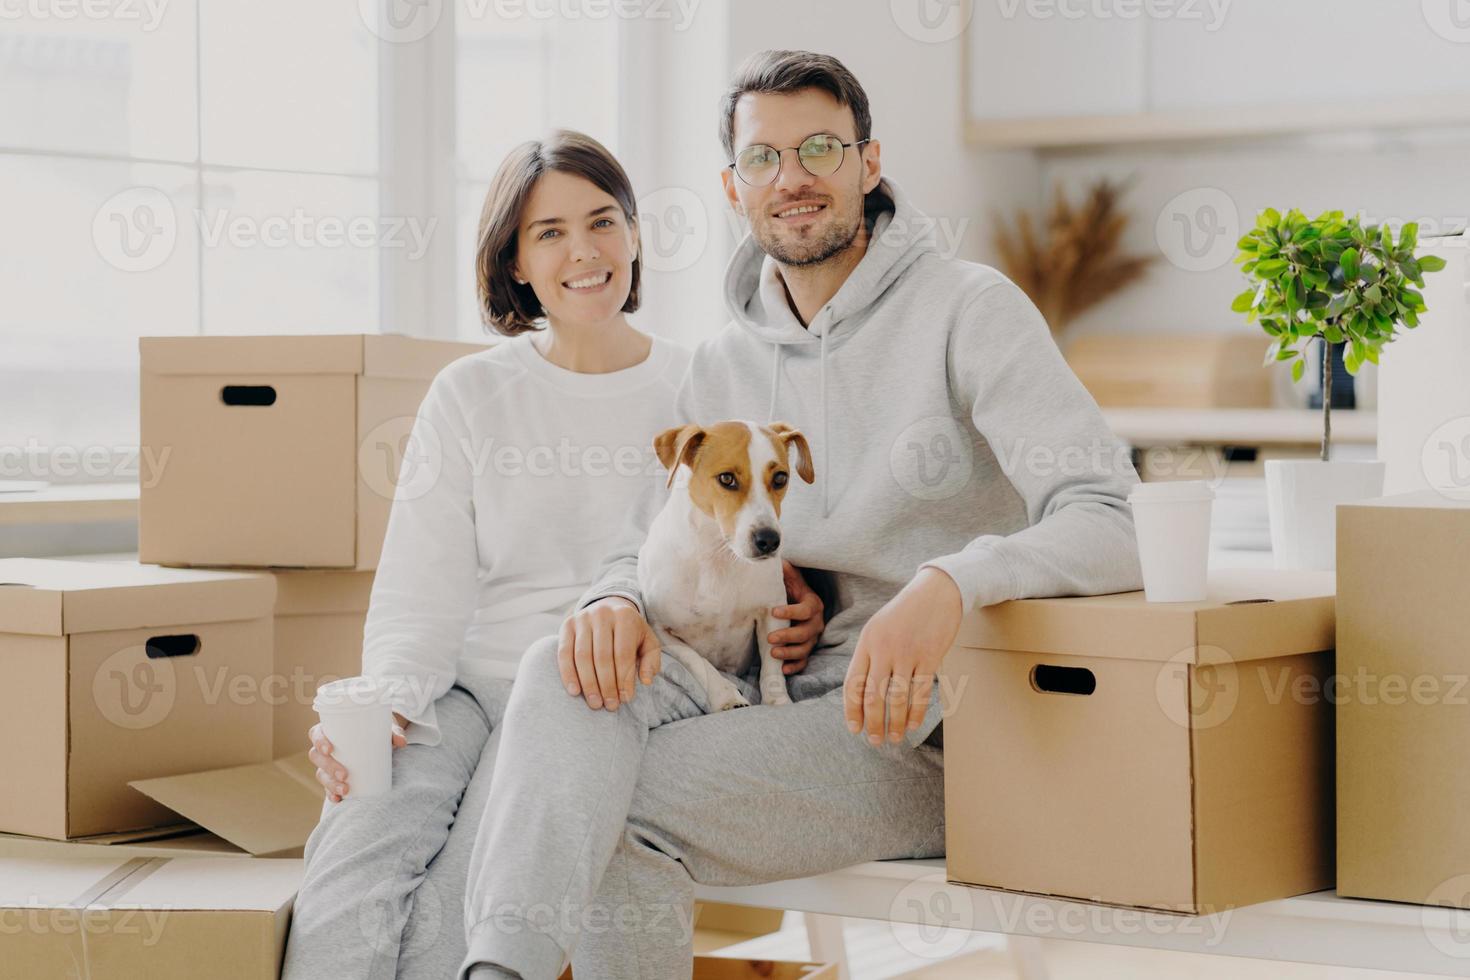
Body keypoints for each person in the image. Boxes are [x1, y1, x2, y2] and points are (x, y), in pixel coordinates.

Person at [457, 50, 1144, 980]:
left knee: (611, 802)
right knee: (561, 666)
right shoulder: (723, 366)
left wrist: (949, 583)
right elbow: (642, 540)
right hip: (761, 699)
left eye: (821, 147)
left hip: (928, 729)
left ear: (868, 162)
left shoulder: (970, 310)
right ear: (733, 186)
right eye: (763, 158)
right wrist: (615, 600)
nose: (793, 178)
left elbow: (1112, 514)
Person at [281, 129, 826, 980]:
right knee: (352, 859)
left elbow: (770, 534)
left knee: (450, 915)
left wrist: (801, 604)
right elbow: (419, 592)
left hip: (595, 695)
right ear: (515, 263)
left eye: (604, 221)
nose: (584, 250)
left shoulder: (701, 391)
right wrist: (382, 708)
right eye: (549, 233)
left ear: (637, 237)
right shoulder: (470, 392)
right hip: (460, 690)